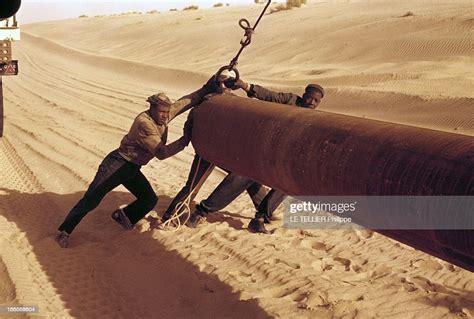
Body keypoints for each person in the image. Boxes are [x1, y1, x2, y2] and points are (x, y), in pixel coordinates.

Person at [55, 79, 218, 248]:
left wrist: (210, 84)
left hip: (132, 168)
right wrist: (185, 139)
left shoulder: (162, 116)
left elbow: (185, 101)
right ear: (152, 109)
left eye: (166, 112)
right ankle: (64, 232)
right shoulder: (144, 123)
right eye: (161, 112)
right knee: (91, 199)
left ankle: (124, 216)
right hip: (117, 165)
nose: (165, 115)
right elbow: (161, 153)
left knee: (149, 200)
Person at [186, 78, 324, 233]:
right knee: (242, 177)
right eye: (310, 97)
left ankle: (260, 218)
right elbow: (269, 96)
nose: (312, 102)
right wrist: (245, 86)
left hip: (280, 160)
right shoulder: (290, 100)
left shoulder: (315, 118)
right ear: (304, 95)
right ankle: (202, 211)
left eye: (316, 101)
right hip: (260, 152)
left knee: (287, 184)